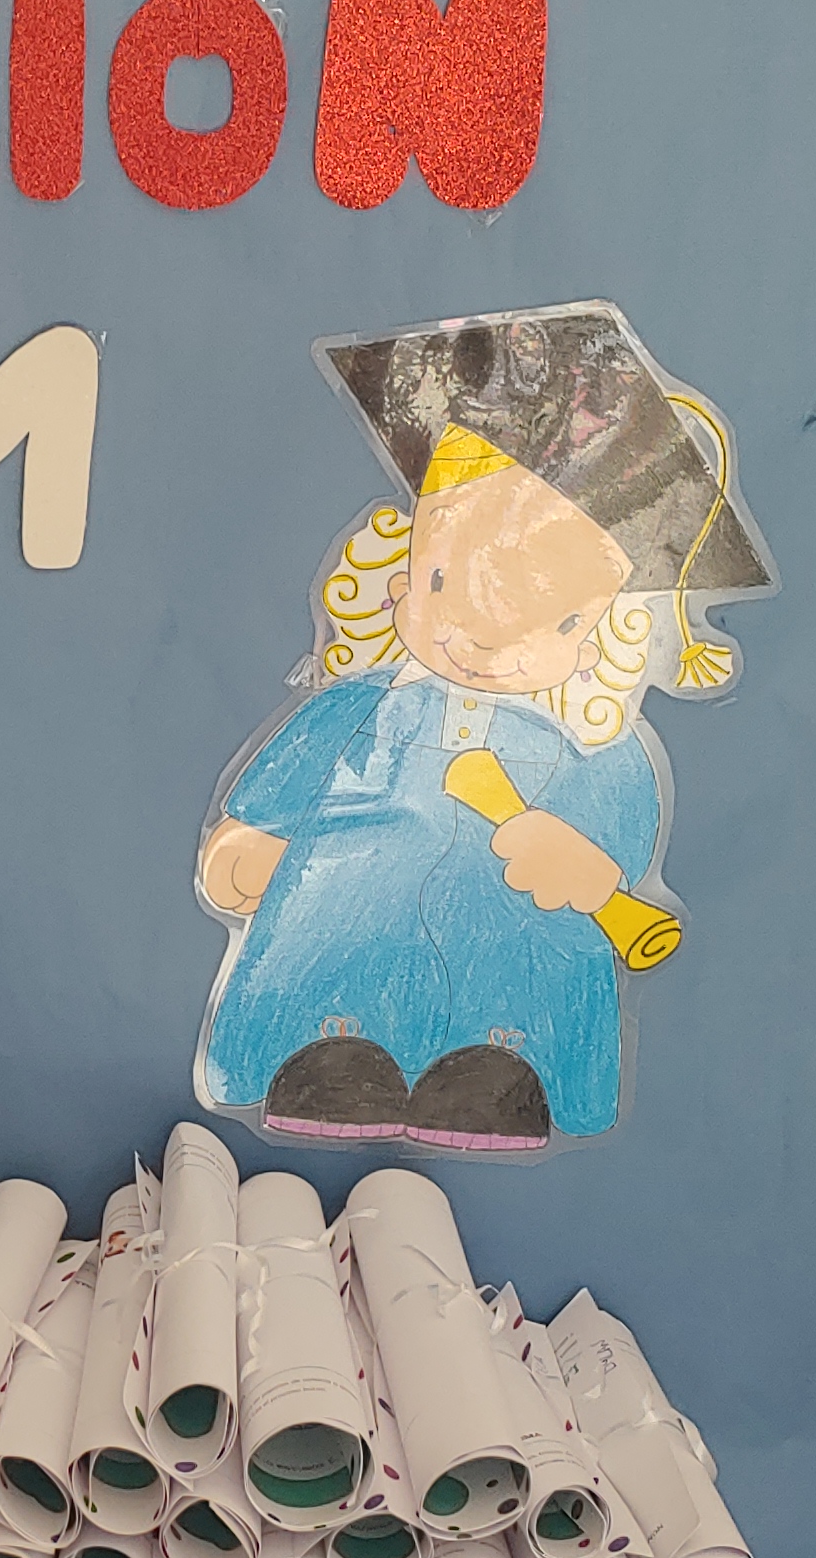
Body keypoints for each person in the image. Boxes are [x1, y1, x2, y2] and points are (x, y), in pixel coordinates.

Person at [193, 302, 772, 1151]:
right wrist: (248, 846)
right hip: (335, 952)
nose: (478, 636)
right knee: (332, 1025)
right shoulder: (355, 712)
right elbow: (275, 795)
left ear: (594, 629)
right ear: (404, 574)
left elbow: (616, 829)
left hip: (516, 977)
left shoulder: (591, 751)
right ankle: (328, 1048)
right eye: (444, 586)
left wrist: (584, 862)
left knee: (511, 1013)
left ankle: (502, 1064)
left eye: (542, 616)